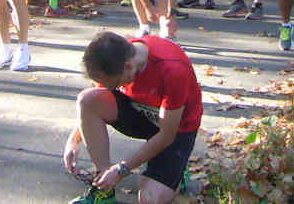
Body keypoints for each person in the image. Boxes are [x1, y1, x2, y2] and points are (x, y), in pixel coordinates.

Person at [63, 31, 202, 204]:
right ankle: (104, 187)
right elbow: (93, 102)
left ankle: (179, 173)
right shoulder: (115, 57)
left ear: (128, 66)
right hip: (141, 111)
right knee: (87, 98)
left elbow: (167, 135)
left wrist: (122, 169)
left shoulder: (173, 70)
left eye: (113, 84)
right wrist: (73, 140)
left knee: (149, 199)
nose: (109, 87)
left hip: (176, 128)